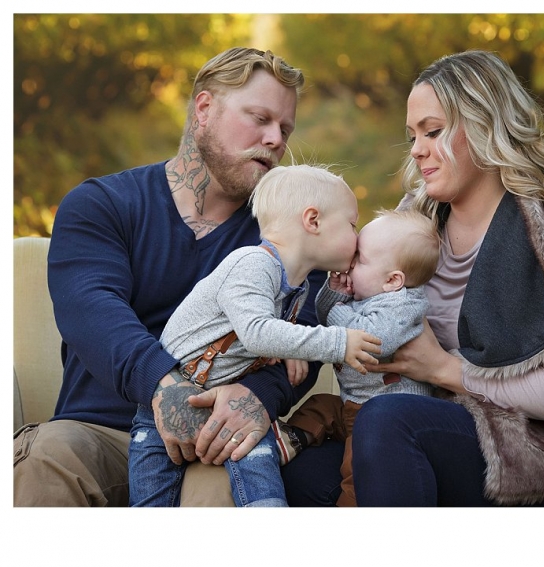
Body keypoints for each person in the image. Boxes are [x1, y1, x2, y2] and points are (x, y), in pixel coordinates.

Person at [281, 49, 544, 507]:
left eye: (433, 131)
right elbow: (341, 284)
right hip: (434, 429)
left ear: (487, 126)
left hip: (536, 457)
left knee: (388, 423)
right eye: (412, 135)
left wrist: (442, 369)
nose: (416, 149)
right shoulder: (415, 223)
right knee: (299, 475)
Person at [13, 47, 324, 507]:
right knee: (47, 458)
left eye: (285, 129)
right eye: (259, 118)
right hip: (99, 434)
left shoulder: (291, 234)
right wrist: (163, 387)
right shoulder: (101, 204)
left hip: (213, 445)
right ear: (203, 109)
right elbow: (91, 308)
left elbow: (304, 337)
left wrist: (259, 395)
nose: (276, 138)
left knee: (226, 494)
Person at [128, 164, 381, 506]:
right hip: (164, 410)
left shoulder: (299, 286)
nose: (358, 234)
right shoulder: (252, 264)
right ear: (313, 221)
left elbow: (265, 329)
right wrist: (338, 343)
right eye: (352, 224)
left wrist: (291, 340)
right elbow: (257, 332)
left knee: (263, 485)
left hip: (228, 408)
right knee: (151, 503)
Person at [283, 207, 439, 506]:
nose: (350, 264)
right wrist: (333, 291)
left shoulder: (403, 305)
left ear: (393, 280)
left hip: (380, 420)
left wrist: (337, 309)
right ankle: (290, 439)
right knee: (321, 405)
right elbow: (325, 315)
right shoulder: (371, 294)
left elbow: (370, 339)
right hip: (351, 407)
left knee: (355, 468)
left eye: (360, 260)